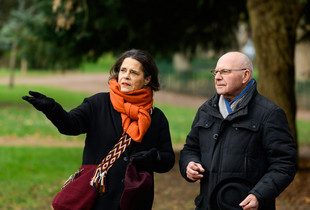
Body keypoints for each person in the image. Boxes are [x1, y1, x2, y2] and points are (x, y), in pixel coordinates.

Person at [22, 49, 175, 210]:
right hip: (99, 199)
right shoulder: (98, 103)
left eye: (134, 72)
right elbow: (70, 125)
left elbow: (168, 160)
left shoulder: (156, 117)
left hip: (136, 200)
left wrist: (152, 157)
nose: (126, 76)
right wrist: (52, 109)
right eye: (123, 70)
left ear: (147, 79)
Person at [179, 52, 297, 210]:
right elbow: (190, 148)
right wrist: (189, 164)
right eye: (216, 72)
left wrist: (259, 195)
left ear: (245, 75)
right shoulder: (205, 110)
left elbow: (284, 164)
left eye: (225, 71)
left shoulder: (269, 114)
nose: (217, 77)